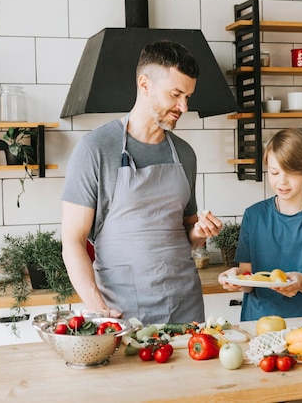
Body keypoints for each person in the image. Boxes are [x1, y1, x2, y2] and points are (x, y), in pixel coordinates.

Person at [61, 40, 222, 325]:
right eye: (175, 94)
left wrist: (199, 233)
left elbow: (186, 235)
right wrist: (99, 311)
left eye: (188, 96)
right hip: (122, 313)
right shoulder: (95, 149)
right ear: (145, 85)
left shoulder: (184, 154)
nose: (183, 106)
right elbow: (72, 241)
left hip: (186, 308)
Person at [219, 128, 302, 321]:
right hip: (257, 322)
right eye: (274, 172)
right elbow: (248, 277)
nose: (281, 181)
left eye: (290, 173)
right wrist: (235, 279)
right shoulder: (254, 215)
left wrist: (299, 282)